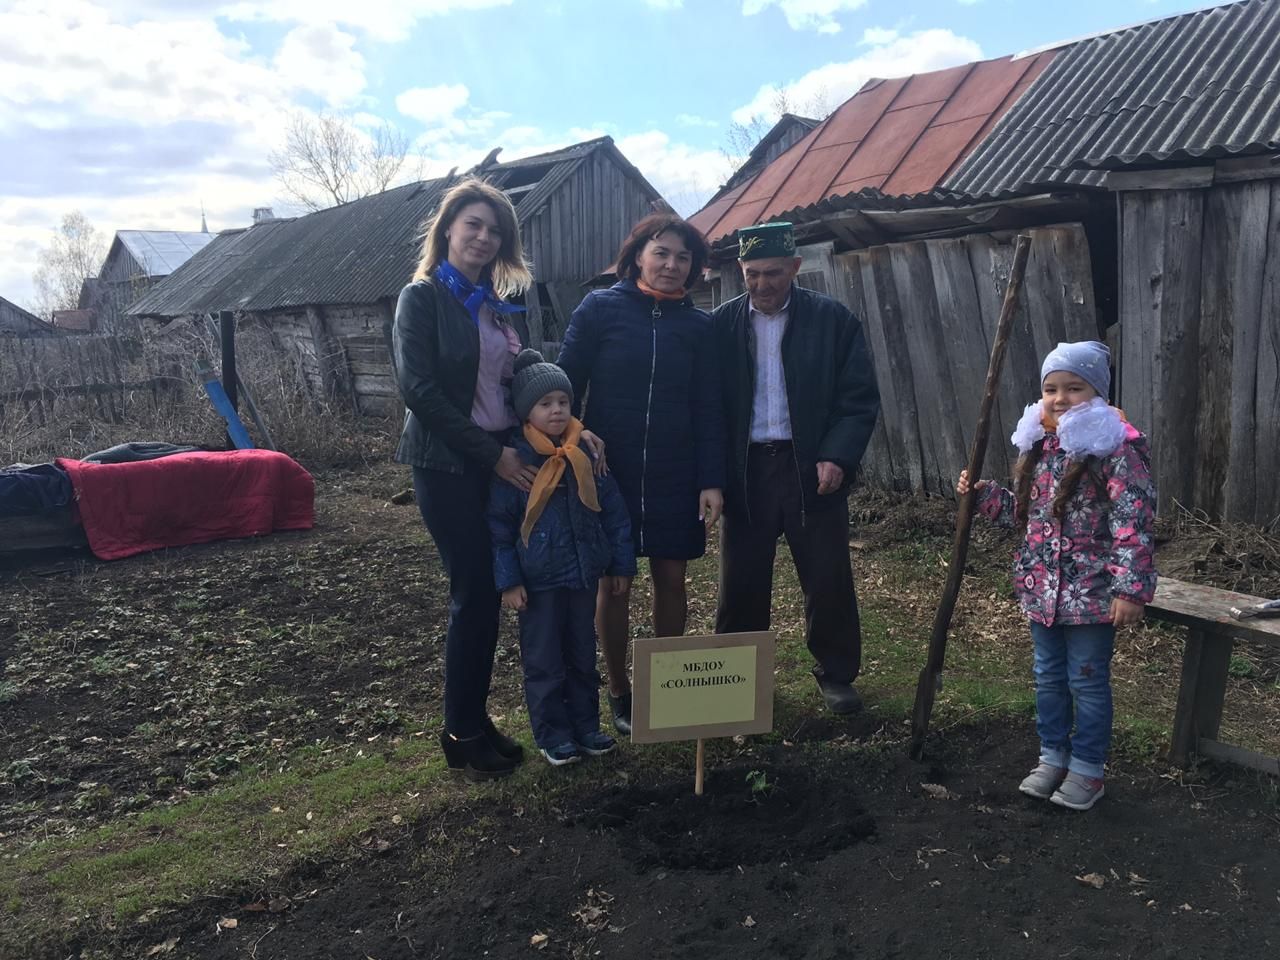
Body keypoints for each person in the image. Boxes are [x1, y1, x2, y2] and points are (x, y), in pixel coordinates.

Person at [390, 177, 604, 781]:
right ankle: (460, 733)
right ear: (448, 230)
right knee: (474, 596)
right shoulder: (423, 298)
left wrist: (572, 427)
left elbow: (526, 375)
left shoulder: (494, 305)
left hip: (497, 460)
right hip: (450, 465)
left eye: (494, 230)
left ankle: (476, 723)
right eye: (473, 226)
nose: (483, 237)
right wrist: (493, 456)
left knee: (493, 596)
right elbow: (420, 392)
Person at [958, 340, 1157, 811]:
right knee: (1047, 678)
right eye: (1051, 388)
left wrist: (1130, 588)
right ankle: (1053, 756)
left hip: (1091, 593)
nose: (1061, 397)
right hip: (1042, 589)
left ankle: (1088, 770)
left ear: (1098, 392)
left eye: (1075, 387)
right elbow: (1026, 515)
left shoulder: (1116, 447)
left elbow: (1134, 521)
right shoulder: (1040, 445)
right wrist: (985, 495)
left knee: (1087, 681)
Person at [557, 213, 726, 735]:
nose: (672, 265)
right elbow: (565, 383)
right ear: (637, 257)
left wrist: (711, 478)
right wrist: (573, 439)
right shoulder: (599, 310)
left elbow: (710, 407)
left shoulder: (700, 327)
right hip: (613, 473)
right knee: (616, 582)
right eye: (662, 253)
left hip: (678, 471)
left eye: (683, 257)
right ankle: (620, 691)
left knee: (672, 577)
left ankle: (666, 686)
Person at [712, 222, 880, 715]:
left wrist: (837, 454)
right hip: (746, 469)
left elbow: (857, 398)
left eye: (772, 273)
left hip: (810, 465)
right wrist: (713, 473)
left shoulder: (832, 321)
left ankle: (837, 674)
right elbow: (707, 404)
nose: (762, 285)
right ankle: (735, 682)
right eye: (751, 274)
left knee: (826, 574)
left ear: (795, 268)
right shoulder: (720, 327)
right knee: (740, 580)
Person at [488, 350, 636, 766]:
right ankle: (553, 734)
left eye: (563, 403)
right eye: (545, 404)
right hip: (538, 583)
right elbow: (499, 528)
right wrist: (509, 580)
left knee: (582, 655)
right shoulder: (516, 464)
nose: (556, 411)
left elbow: (614, 513)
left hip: (583, 575)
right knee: (544, 661)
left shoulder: (586, 455)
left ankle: (586, 726)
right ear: (525, 412)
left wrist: (621, 564)